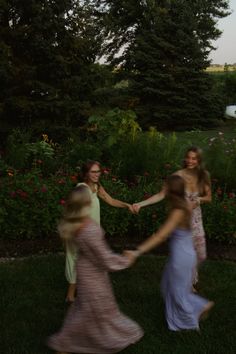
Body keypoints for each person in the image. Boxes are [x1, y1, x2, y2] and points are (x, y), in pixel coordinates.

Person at [48, 185, 143, 354]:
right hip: (93, 274)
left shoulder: (74, 223)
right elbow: (105, 259)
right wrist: (126, 260)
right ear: (86, 204)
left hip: (84, 268)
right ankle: (100, 340)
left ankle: (66, 343)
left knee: (84, 308)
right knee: (98, 309)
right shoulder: (89, 228)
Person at [125, 175, 214, 331]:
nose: (162, 189)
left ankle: (200, 307)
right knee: (168, 286)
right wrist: (141, 204)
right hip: (184, 254)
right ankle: (192, 309)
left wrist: (136, 252)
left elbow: (160, 236)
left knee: (177, 293)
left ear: (172, 192)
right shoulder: (184, 204)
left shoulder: (178, 211)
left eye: (165, 187)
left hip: (182, 257)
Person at [133, 146, 212, 286]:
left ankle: (186, 275)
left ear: (199, 160)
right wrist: (141, 204)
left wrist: (199, 200)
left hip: (196, 220)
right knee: (185, 253)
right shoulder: (177, 176)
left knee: (201, 254)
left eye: (194, 158)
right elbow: (161, 194)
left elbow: (209, 197)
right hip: (180, 220)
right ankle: (187, 283)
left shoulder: (203, 176)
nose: (190, 161)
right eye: (188, 157)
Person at [66, 160, 134, 302]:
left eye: (98, 171)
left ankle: (84, 293)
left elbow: (110, 200)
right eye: (93, 172)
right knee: (79, 260)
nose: (97, 174)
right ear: (86, 174)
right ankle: (71, 296)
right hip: (81, 232)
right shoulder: (82, 189)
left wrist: (126, 205)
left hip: (92, 232)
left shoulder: (96, 187)